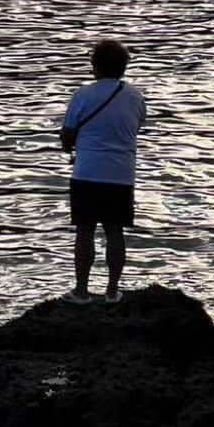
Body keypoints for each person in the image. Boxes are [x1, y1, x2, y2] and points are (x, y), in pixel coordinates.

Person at [59, 39, 147, 304]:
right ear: (123, 67)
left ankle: (82, 291)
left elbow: (67, 134)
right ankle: (111, 292)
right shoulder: (135, 96)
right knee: (115, 231)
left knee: (84, 230)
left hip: (87, 172)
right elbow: (137, 126)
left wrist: (70, 146)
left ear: (94, 65)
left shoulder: (82, 95)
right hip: (121, 173)